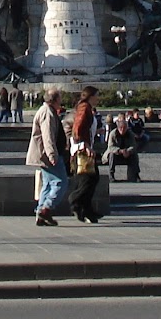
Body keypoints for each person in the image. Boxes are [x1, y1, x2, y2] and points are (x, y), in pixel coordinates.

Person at [27, 87, 68, 226]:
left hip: (45, 154)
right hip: (48, 155)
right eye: (60, 97)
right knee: (60, 182)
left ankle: (41, 213)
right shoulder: (47, 113)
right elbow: (48, 136)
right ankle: (46, 208)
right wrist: (52, 155)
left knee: (48, 184)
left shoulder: (47, 111)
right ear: (54, 100)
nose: (61, 100)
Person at [67, 84, 103, 223]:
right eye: (97, 96)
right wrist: (86, 145)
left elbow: (84, 128)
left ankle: (86, 210)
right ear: (91, 96)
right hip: (82, 151)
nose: (98, 99)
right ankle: (75, 201)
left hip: (83, 148)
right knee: (88, 180)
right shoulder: (84, 108)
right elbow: (78, 128)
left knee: (90, 179)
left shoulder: (86, 107)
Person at [104, 113, 140, 182]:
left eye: (124, 128)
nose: (122, 130)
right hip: (116, 154)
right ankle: (111, 174)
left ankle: (135, 174)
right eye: (121, 128)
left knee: (135, 155)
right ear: (118, 128)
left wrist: (128, 151)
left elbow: (134, 145)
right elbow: (110, 147)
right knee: (112, 155)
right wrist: (120, 151)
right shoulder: (113, 134)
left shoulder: (130, 134)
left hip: (126, 154)